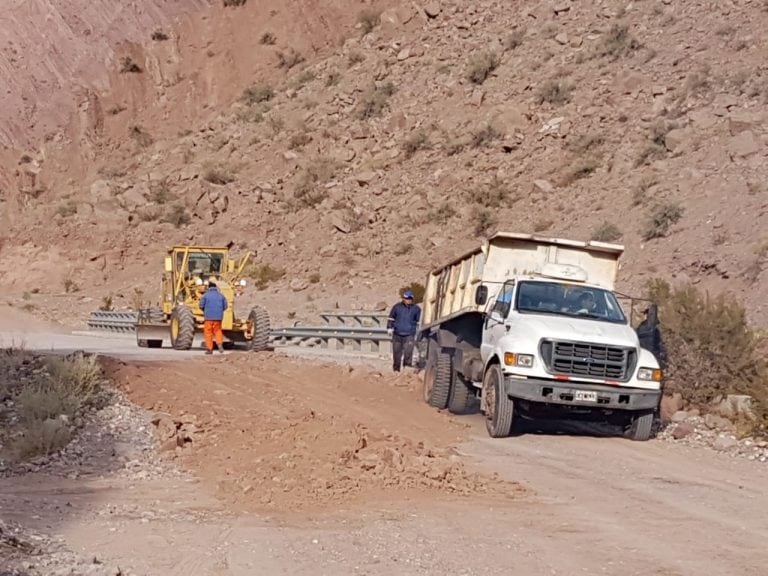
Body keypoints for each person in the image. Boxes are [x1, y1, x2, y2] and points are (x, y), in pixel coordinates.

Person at [387, 290, 421, 372]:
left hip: (409, 335)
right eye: (406, 298)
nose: (408, 300)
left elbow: (418, 321)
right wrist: (389, 328)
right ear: (403, 298)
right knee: (397, 354)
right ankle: (396, 371)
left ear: (412, 299)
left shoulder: (416, 309)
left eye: (410, 298)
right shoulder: (397, 307)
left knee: (408, 353)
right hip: (397, 334)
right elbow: (391, 318)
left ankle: (406, 371)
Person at [199, 280, 228, 354]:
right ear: (216, 287)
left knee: (208, 332)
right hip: (218, 318)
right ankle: (220, 345)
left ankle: (209, 349)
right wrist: (219, 311)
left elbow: (201, 306)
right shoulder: (221, 296)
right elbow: (225, 306)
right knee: (218, 331)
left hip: (208, 317)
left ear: (208, 287)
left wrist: (205, 311)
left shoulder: (205, 295)